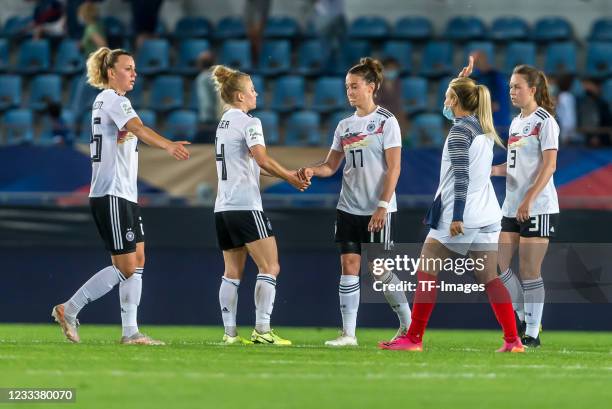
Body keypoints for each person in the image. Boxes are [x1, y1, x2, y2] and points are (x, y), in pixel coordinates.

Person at [380, 58, 524, 352]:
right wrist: (460, 81)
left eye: (447, 97)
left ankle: (414, 339)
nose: (443, 103)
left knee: (426, 269)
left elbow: (461, 177)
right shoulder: (480, 128)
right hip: (487, 212)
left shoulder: (460, 132)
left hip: (462, 212)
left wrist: (456, 216)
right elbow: (468, 167)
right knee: (489, 277)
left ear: (456, 100)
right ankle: (513, 340)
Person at [51, 47, 191, 345]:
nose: (134, 73)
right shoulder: (112, 99)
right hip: (111, 192)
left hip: (124, 194)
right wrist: (167, 145)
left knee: (137, 259)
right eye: (128, 68)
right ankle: (70, 308)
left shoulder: (112, 103)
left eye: (135, 68)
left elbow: (128, 131)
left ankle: (131, 332)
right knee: (126, 266)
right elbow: (137, 128)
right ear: (111, 72)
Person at [298, 57, 408, 347]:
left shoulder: (386, 121)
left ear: (371, 87)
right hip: (348, 206)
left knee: (379, 270)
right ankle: (348, 334)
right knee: (349, 265)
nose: (350, 92)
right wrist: (313, 170)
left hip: (377, 208)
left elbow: (394, 167)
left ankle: (408, 324)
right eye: (347, 87)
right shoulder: (344, 125)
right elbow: (331, 165)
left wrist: (383, 205)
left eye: (355, 86)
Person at [211, 64, 310, 345]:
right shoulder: (249, 122)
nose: (256, 93)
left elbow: (251, 164)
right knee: (270, 266)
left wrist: (285, 173)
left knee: (232, 272)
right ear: (240, 96)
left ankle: (230, 334)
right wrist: (291, 177)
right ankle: (263, 330)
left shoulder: (223, 124)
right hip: (246, 205)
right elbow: (262, 158)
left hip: (223, 208)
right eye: (252, 89)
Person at [492, 65, 560, 348]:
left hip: (538, 206)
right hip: (511, 206)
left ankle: (532, 332)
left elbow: (549, 165)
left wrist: (529, 199)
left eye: (517, 86)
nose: (512, 91)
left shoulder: (545, 122)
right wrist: (489, 171)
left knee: (530, 271)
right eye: (510, 86)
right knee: (498, 265)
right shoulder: (517, 122)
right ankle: (522, 315)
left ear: (533, 89)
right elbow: (513, 166)